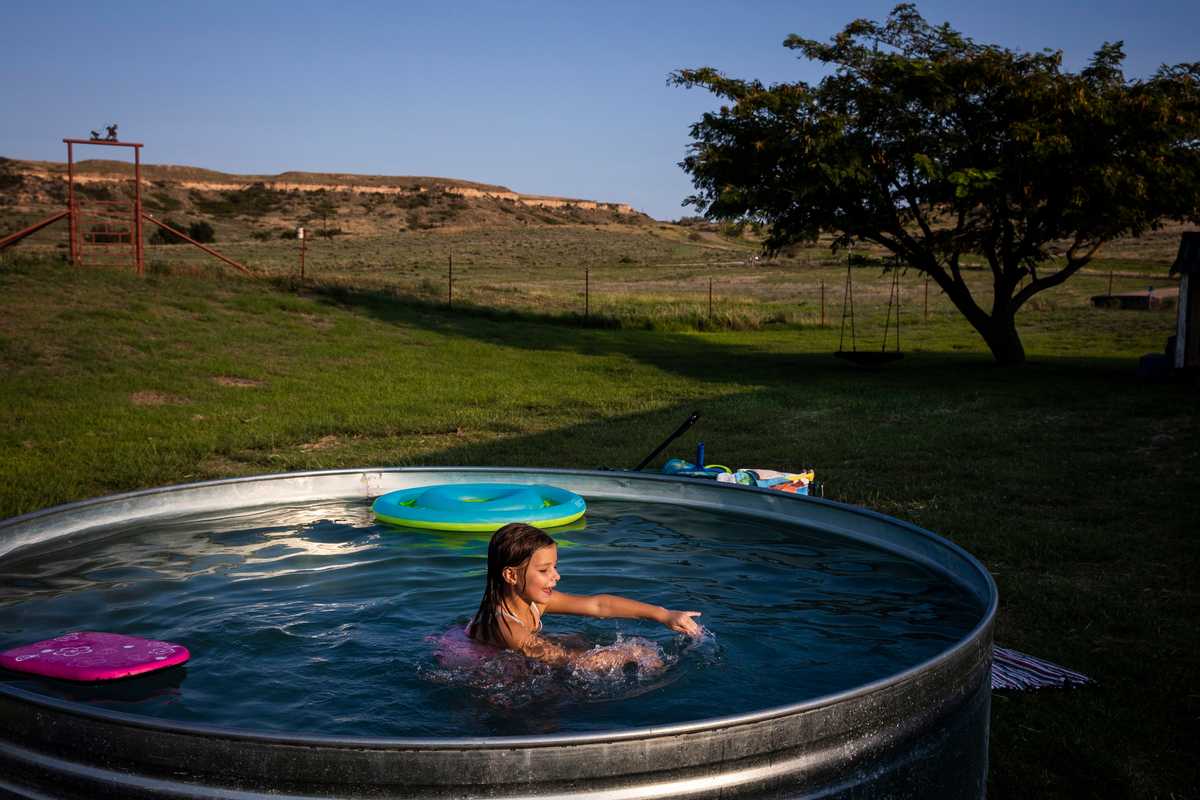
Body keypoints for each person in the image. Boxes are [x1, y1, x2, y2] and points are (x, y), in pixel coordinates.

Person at [466, 522, 701, 670]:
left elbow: (599, 605)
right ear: (511, 575)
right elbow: (570, 663)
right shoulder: (506, 626)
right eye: (544, 570)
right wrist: (628, 654)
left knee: (578, 639)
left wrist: (663, 614)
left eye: (555, 567)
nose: (556, 576)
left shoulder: (535, 602)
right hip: (475, 661)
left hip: (510, 649)